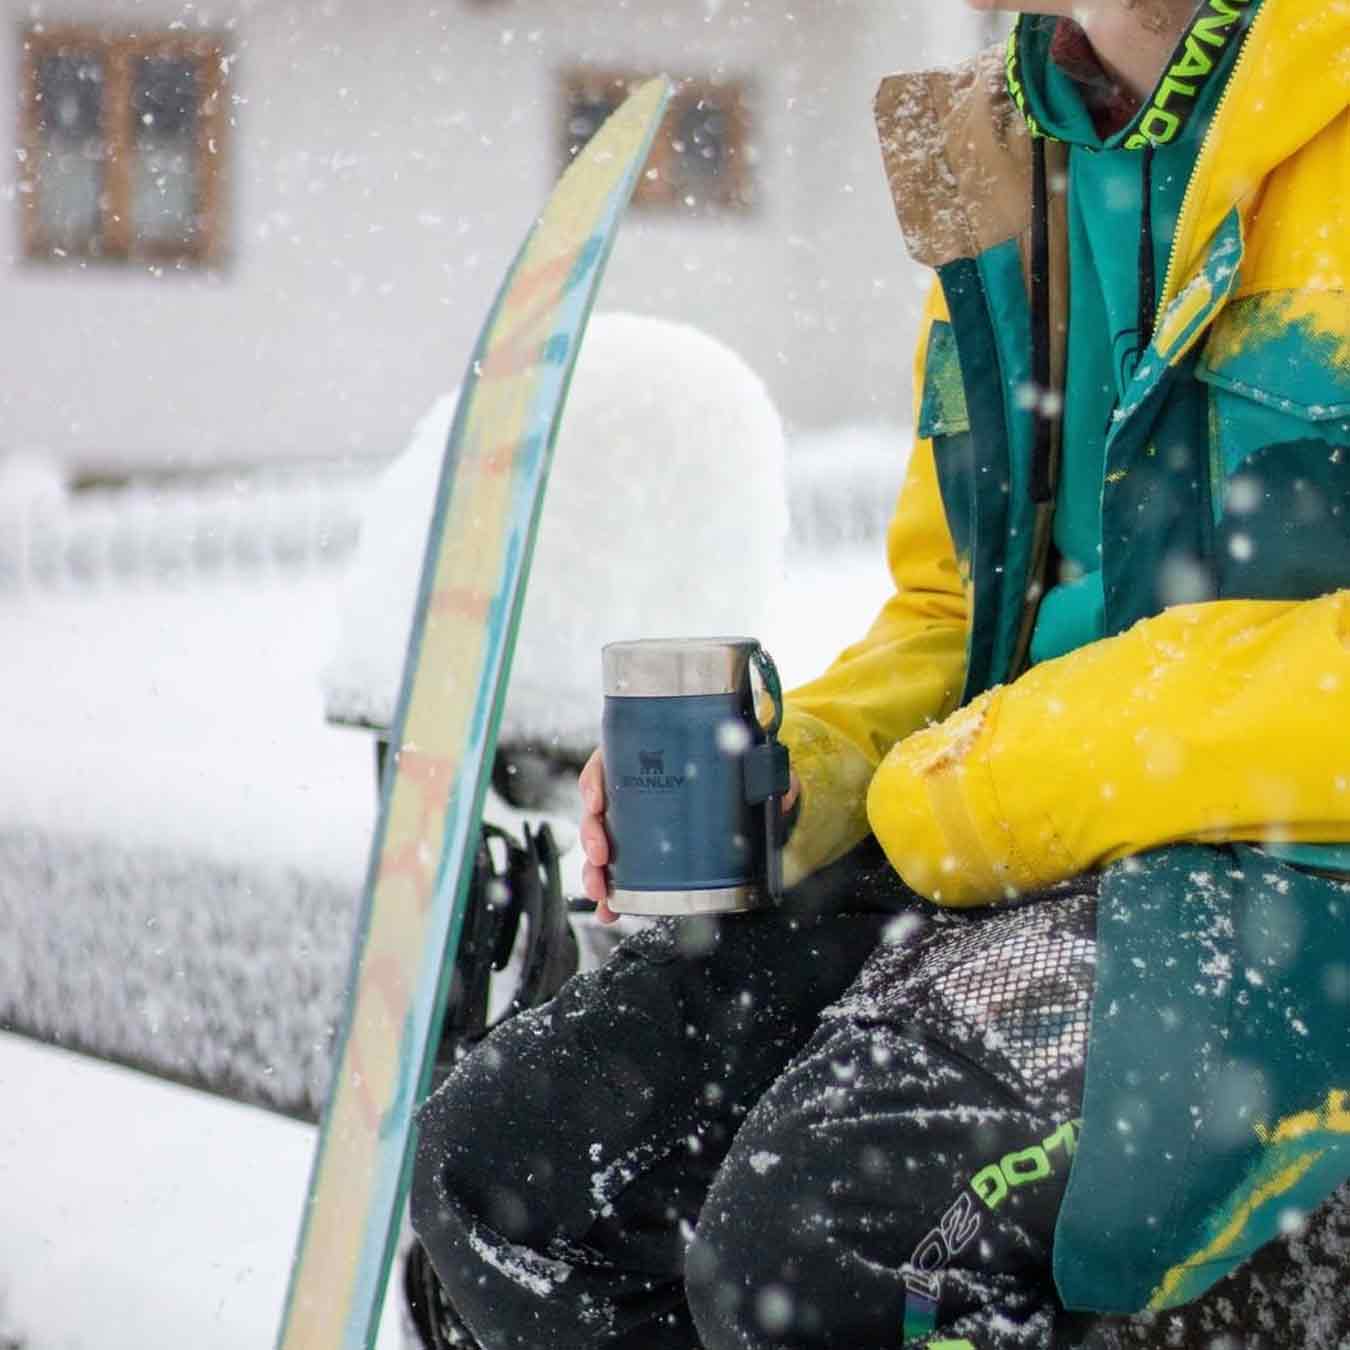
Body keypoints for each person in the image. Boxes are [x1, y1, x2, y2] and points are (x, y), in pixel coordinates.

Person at [410, 0, 1350, 1344]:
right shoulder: (999, 157)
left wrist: (1050, 754)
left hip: (1296, 867)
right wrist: (805, 765)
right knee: (509, 1173)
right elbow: (955, 606)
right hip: (1017, 843)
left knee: (826, 1238)